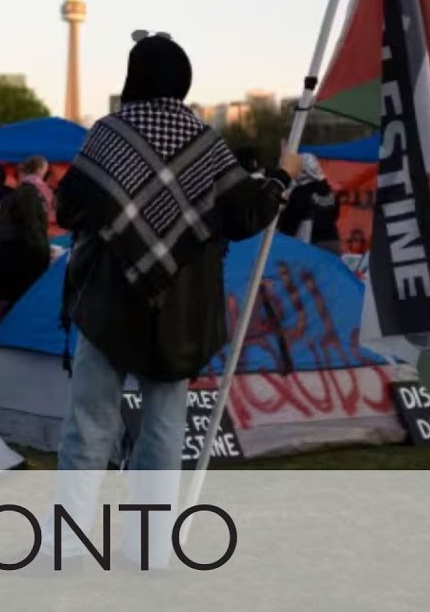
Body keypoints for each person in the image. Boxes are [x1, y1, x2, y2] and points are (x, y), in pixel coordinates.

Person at [51, 32, 299, 568]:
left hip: (107, 308)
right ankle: (152, 549)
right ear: (183, 80)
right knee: (164, 433)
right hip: (181, 316)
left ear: (132, 77)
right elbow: (246, 215)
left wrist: (117, 219)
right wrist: (283, 177)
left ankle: (70, 546)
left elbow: (68, 208)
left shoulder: (107, 135)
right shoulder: (206, 143)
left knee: (88, 428)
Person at [0, 155, 53, 306]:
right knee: (22, 297)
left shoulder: (27, 189)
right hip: (24, 253)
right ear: (39, 169)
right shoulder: (30, 191)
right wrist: (43, 251)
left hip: (19, 250)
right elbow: (31, 224)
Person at [278, 153, 341, 254]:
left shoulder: (301, 192)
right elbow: (335, 215)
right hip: (333, 242)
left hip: (309, 245)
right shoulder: (330, 191)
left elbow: (290, 221)